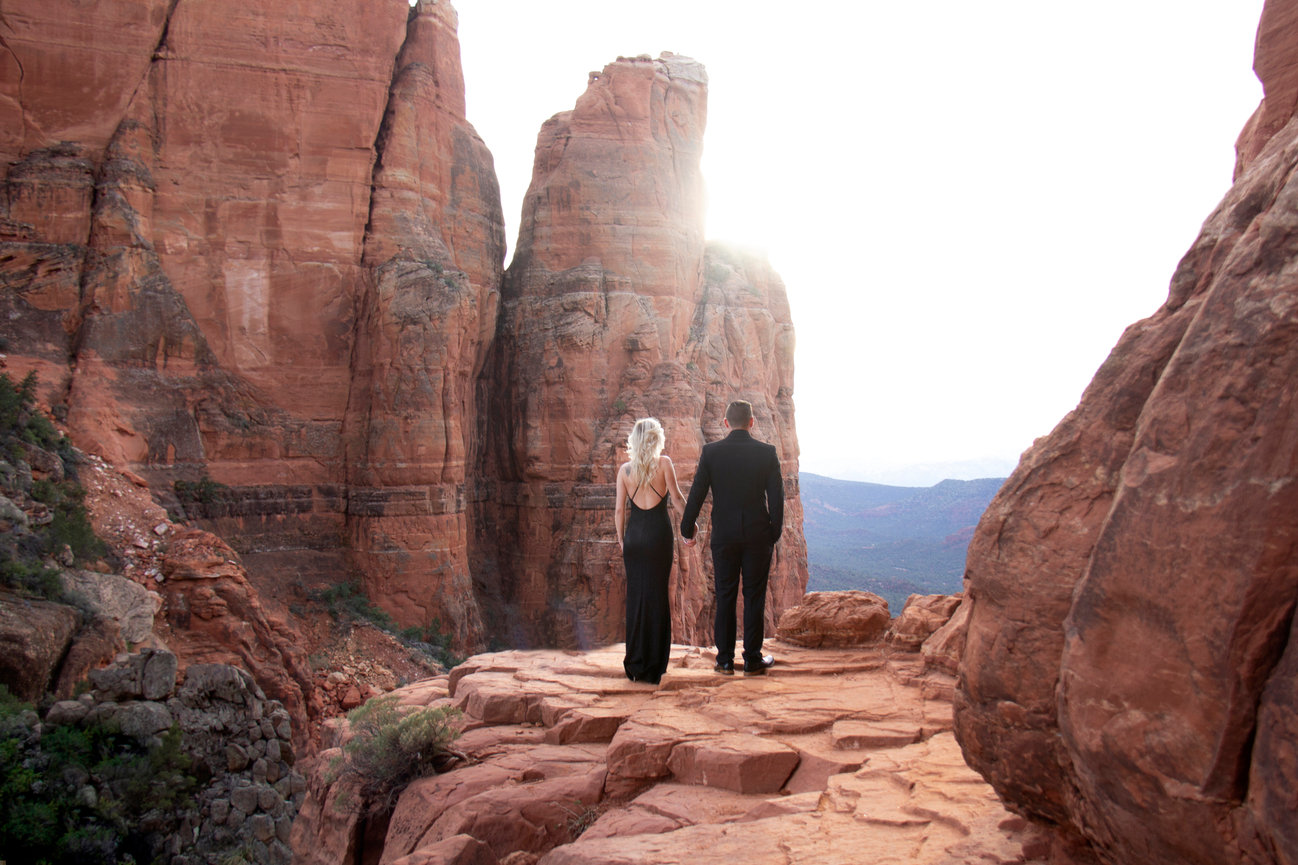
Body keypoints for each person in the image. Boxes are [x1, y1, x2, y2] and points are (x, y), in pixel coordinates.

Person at [680, 400, 784, 676]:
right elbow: (777, 499)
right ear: (751, 422)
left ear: (726, 423)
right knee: (754, 597)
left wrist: (686, 527)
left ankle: (724, 661)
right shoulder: (767, 453)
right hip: (758, 535)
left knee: (725, 595)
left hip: (724, 535)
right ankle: (752, 660)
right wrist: (773, 533)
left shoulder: (712, 452)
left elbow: (697, 493)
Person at [615, 417, 688, 684]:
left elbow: (619, 510)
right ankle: (655, 666)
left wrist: (622, 540)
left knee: (636, 597)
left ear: (634, 441)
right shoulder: (664, 464)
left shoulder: (624, 471)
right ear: (656, 439)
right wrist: (691, 526)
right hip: (658, 537)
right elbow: (677, 498)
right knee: (657, 596)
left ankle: (635, 663)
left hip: (634, 538)